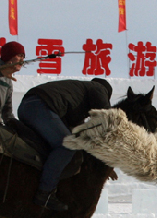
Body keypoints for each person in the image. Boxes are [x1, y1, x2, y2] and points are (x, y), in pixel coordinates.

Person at [17, 78, 113, 211]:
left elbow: (81, 135)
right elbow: (108, 117)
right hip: (40, 106)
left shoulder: (76, 100)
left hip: (26, 107)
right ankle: (45, 192)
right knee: (66, 145)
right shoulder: (98, 87)